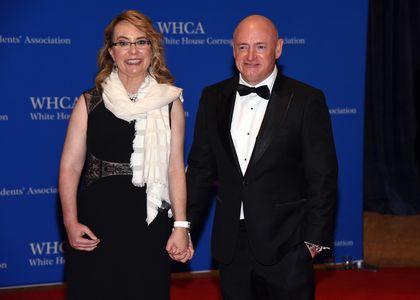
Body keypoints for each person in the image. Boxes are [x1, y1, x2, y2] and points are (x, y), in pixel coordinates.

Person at [186, 15, 338, 300]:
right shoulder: (212, 97)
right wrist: (185, 226)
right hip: (231, 244)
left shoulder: (306, 99)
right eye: (243, 47)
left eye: (260, 47)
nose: (251, 56)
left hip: (287, 242)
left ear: (278, 48)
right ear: (233, 51)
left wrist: (315, 240)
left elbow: (322, 174)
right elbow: (200, 170)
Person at [59, 10, 193, 300]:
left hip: (149, 225)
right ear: (111, 51)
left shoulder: (170, 102)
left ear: (152, 49)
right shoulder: (89, 101)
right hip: (96, 224)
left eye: (141, 41)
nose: (132, 50)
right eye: (123, 42)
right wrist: (70, 222)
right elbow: (70, 166)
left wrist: (181, 226)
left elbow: (174, 169)